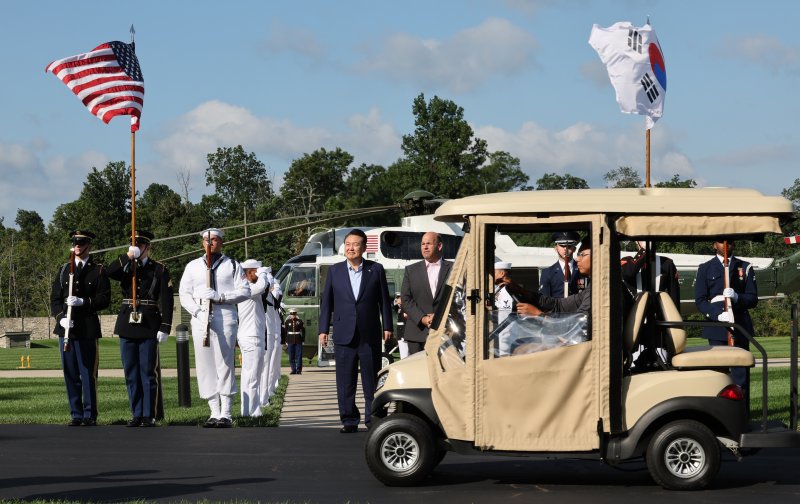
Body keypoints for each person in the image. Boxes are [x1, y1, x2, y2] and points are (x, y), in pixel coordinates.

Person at [319, 228, 393, 433]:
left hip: (369, 334)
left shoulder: (375, 269)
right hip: (344, 334)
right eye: (348, 244)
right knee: (345, 382)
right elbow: (327, 303)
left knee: (372, 381)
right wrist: (323, 329)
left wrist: (388, 325)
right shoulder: (335, 271)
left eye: (355, 244)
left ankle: (373, 419)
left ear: (363, 247)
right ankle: (349, 419)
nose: (351, 248)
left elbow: (384, 301)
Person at [178, 228, 250, 428]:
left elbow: (245, 291)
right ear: (202, 243)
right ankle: (214, 411)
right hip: (200, 315)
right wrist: (197, 312)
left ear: (221, 242)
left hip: (224, 313)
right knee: (205, 363)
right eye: (206, 240)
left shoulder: (232, 265)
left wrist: (221, 297)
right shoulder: (193, 266)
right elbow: (184, 293)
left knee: (224, 362)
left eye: (215, 240)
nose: (210, 243)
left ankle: (226, 412)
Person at [106, 230, 173, 427]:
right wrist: (127, 257)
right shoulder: (127, 267)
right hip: (128, 323)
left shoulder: (159, 269)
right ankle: (136, 413)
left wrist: (165, 327)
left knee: (147, 372)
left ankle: (148, 414)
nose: (135, 248)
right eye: (132, 244)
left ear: (147, 247)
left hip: (149, 323)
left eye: (139, 245)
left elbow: (167, 301)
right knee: (131, 372)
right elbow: (109, 272)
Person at [50, 230, 111, 426]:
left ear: (89, 246)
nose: (77, 245)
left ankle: (89, 414)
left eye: (81, 242)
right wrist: (60, 318)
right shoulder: (64, 270)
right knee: (70, 372)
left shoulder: (98, 270)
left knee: (88, 373)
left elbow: (104, 300)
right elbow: (55, 299)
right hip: (67, 329)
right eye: (75, 242)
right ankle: (75, 414)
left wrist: (83, 302)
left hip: (87, 329)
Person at [694, 239, 758, 388]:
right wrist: (717, 314)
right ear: (714, 245)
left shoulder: (744, 267)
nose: (725, 245)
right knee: (719, 374)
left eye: (729, 242)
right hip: (716, 327)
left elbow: (753, 298)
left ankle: (742, 410)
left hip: (739, 325)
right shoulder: (705, 268)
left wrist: (737, 297)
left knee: (740, 374)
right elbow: (700, 300)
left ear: (734, 245)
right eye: (721, 242)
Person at [400, 232, 453, 355]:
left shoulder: (453, 268)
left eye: (428, 243)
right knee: (418, 372)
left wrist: (440, 316)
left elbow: (458, 296)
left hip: (446, 332)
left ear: (439, 246)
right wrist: (423, 318)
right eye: (422, 244)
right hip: (417, 332)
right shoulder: (411, 270)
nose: (424, 247)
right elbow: (406, 299)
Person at [513, 239, 593, 317]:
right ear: (556, 248)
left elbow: (580, 322)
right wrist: (522, 291)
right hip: (556, 318)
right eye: (562, 246)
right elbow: (558, 304)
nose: (577, 259)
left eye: (582, 255)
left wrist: (539, 315)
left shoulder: (595, 288)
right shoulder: (548, 272)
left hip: (563, 324)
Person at [236, 259, 272, 417]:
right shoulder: (248, 288)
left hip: (252, 336)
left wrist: (263, 275)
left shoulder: (248, 288)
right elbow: (261, 286)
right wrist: (263, 274)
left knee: (250, 374)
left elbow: (265, 287)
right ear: (251, 273)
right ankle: (253, 410)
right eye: (257, 272)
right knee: (253, 375)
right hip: (251, 337)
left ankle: (248, 410)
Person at [539, 231, 585, 298]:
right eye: (562, 245)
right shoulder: (547, 273)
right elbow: (544, 300)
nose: (565, 249)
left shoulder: (582, 269)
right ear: (555, 248)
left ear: (574, 249)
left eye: (569, 246)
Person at [261, 274, 283, 404]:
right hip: (267, 332)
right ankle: (264, 396)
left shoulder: (271, 296)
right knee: (265, 366)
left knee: (270, 364)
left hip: (273, 332)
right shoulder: (264, 295)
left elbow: (278, 295)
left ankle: (268, 391)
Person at [283, 309, 306, 374]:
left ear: (296, 314)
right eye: (292, 314)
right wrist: (285, 340)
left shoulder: (299, 321)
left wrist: (303, 339)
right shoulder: (287, 321)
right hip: (290, 340)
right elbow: (285, 332)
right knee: (291, 355)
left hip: (298, 339)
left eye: (294, 314)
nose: (293, 316)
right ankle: (293, 369)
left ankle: (299, 370)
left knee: (299, 355)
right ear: (290, 315)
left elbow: (303, 331)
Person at [392, 293, 409, 359]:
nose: (398, 299)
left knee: (406, 354)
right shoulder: (399, 308)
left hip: (405, 333)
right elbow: (395, 306)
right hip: (400, 334)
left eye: (399, 298)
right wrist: (397, 302)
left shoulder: (405, 308)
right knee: (403, 354)